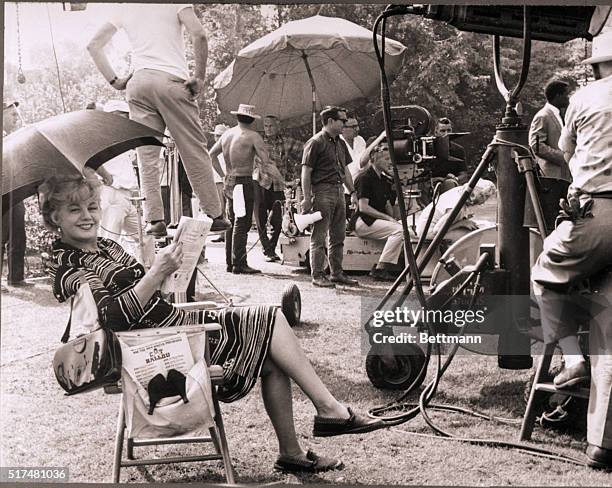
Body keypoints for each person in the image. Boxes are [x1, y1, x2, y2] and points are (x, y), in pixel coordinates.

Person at [39, 171, 385, 473]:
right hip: (153, 350)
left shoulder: (107, 247)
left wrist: (171, 265)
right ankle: (330, 410)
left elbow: (145, 291)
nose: (87, 216)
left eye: (92, 207)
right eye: (74, 209)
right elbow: (113, 318)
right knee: (270, 317)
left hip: (172, 327)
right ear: (54, 217)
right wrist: (155, 273)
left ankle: (292, 452)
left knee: (273, 359)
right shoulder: (67, 264)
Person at [530, 30, 612, 470]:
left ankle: (573, 357)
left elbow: (568, 153)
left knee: (544, 272)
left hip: (598, 211)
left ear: (598, 65)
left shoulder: (584, 98)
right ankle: (601, 442)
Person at [87, 3, 230, 237]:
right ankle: (215, 215)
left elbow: (93, 45)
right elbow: (200, 35)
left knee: (147, 155)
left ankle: (155, 219)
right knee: (193, 148)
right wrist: (200, 77)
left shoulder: (125, 7)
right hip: (171, 81)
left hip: (139, 82)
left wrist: (115, 81)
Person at [210, 104, 282, 275]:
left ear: (238, 117)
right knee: (242, 223)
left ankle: (231, 262)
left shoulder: (227, 134)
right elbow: (266, 163)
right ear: (252, 120)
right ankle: (239, 263)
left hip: (229, 180)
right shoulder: (253, 136)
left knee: (232, 221)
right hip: (243, 180)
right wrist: (281, 180)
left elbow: (211, 155)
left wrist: (222, 175)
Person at [301, 106, 358, 288]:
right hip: (322, 191)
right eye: (342, 120)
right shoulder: (315, 142)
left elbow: (345, 171)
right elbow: (306, 171)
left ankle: (337, 273)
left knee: (338, 235)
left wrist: (353, 192)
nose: (345, 123)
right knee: (319, 236)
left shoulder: (340, 143)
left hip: (339, 191)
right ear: (330, 121)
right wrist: (307, 197)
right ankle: (317, 275)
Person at [96, 100, 154, 267]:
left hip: (127, 194)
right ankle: (104, 279)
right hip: (113, 192)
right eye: (124, 116)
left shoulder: (122, 138)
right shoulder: (102, 137)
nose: (127, 120)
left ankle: (147, 276)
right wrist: (107, 176)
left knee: (144, 236)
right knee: (109, 240)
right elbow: (90, 161)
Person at [353, 136, 413, 282]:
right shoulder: (364, 178)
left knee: (407, 229)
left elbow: (389, 208)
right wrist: (389, 219)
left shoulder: (384, 180)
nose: (389, 163)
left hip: (376, 221)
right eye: (386, 160)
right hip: (363, 222)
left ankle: (403, 266)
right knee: (401, 231)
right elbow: (363, 207)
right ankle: (381, 268)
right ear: (374, 158)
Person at [253, 115, 303, 262]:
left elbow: (305, 149)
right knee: (261, 218)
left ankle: (271, 247)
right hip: (261, 182)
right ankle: (267, 250)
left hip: (278, 184)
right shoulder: (258, 142)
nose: (268, 129)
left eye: (271, 126)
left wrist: (300, 170)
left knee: (278, 218)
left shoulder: (285, 141)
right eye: (266, 126)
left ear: (278, 126)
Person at [1, 100, 32, 289]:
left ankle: (16, 277)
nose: (16, 118)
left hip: (15, 193)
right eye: (12, 114)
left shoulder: (12, 138)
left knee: (18, 234)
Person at [415, 179, 496, 242]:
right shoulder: (457, 205)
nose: (483, 200)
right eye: (482, 196)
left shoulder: (460, 191)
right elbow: (437, 230)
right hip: (427, 233)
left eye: (486, 197)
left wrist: (463, 218)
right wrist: (462, 223)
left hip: (427, 228)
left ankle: (461, 260)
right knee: (473, 236)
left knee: (472, 231)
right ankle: (468, 261)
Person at [528, 79, 572, 181]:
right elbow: (536, 146)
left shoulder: (560, 115)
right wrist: (563, 157)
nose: (568, 98)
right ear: (557, 96)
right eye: (566, 95)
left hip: (563, 176)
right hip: (551, 176)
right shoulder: (542, 116)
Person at [430, 117, 469, 195]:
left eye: (449, 130)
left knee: (450, 184)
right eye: (442, 131)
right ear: (436, 132)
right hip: (430, 184)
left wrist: (455, 178)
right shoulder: (427, 149)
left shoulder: (458, 150)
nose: (446, 134)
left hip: (449, 184)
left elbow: (464, 175)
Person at [341, 117, 367, 216]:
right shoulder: (337, 143)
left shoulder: (360, 140)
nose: (358, 129)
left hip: (361, 187)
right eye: (353, 127)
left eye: (357, 125)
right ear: (342, 129)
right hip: (346, 190)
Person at [210, 124, 230, 243]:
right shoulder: (215, 148)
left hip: (226, 180)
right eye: (216, 136)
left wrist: (224, 176)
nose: (217, 138)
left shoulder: (228, 148)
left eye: (220, 136)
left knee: (228, 208)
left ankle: (228, 233)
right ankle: (223, 234)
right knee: (220, 208)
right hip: (217, 181)